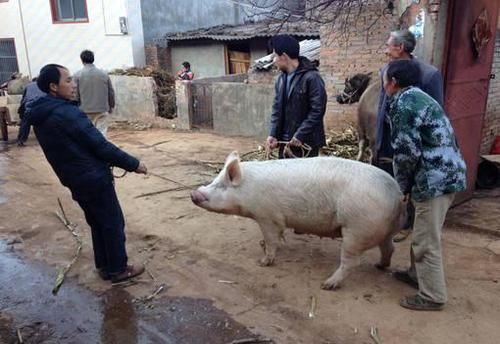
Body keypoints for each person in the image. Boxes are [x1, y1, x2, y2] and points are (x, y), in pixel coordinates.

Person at [27, 64, 147, 283]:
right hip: (93, 177)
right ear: (54, 87)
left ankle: (104, 265)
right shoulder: (66, 113)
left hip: (74, 178)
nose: (73, 85)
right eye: (68, 81)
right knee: (112, 221)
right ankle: (119, 269)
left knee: (97, 221)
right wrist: (133, 164)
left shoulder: (42, 114)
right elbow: (101, 146)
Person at [383, 59, 466, 311]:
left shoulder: (404, 105)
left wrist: (402, 187)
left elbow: (406, 152)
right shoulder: (419, 96)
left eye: (385, 79)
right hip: (447, 173)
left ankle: (433, 296)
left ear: (393, 82)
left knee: (425, 241)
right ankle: (415, 274)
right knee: (422, 231)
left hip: (434, 180)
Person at [375, 29, 445, 243]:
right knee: (387, 178)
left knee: (410, 180)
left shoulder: (428, 74)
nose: (386, 50)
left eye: (389, 45)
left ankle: (408, 222)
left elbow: (435, 113)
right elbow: (382, 105)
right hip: (388, 134)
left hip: (413, 140)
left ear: (400, 48)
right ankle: (389, 220)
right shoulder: (386, 70)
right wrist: (377, 137)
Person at [265, 34, 327, 158]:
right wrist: (273, 134)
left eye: (275, 56)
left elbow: (317, 110)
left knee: (306, 177)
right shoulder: (280, 80)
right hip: (285, 142)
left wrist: (300, 134)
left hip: (306, 144)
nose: (273, 60)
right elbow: (277, 109)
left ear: (284, 57)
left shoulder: (312, 77)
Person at [74, 50, 115, 137]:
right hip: (102, 109)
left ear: (82, 60)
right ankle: (102, 150)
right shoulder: (103, 74)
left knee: (88, 133)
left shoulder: (77, 75)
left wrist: (75, 108)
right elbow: (110, 92)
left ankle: (90, 150)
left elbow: (75, 94)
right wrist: (111, 106)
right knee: (102, 133)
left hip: (85, 110)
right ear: (93, 59)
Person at [17, 78, 46, 146]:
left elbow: (23, 99)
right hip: (43, 106)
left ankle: (21, 140)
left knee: (25, 123)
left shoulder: (28, 86)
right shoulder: (44, 85)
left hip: (30, 107)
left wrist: (21, 111)